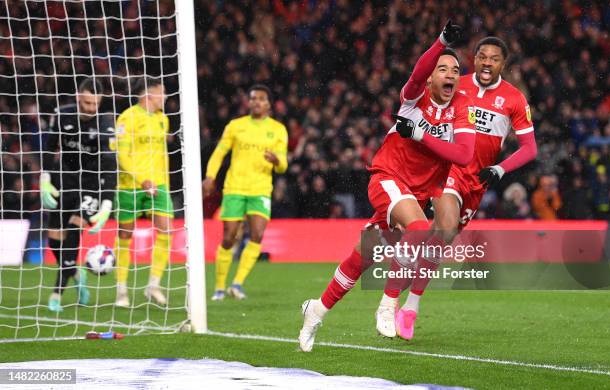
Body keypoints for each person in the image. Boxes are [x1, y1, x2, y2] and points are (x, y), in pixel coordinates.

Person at [299, 21, 476, 351]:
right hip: (387, 179)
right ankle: (388, 303)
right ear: (431, 76)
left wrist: (421, 134)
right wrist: (440, 42)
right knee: (420, 227)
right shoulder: (414, 98)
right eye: (442, 68)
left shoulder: (461, 107)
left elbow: (464, 155)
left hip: (416, 193)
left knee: (362, 256)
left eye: (455, 69)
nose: (450, 74)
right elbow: (417, 72)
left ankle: (316, 310)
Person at [383, 36, 538, 337]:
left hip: (479, 180)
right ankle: (396, 292)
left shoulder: (514, 99)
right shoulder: (456, 83)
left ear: (503, 64)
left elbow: (530, 148)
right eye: (482, 56)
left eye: (494, 58)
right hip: (449, 169)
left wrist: (500, 168)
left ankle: (411, 304)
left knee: (444, 236)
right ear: (474, 59)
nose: (487, 62)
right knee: (447, 223)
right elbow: (424, 102)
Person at [203, 84, 288, 300]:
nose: (256, 102)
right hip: (235, 188)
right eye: (253, 98)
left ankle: (237, 283)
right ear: (248, 102)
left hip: (260, 189)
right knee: (229, 237)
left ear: (269, 104)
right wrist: (210, 176)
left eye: (261, 99)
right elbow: (219, 152)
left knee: (257, 235)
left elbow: (283, 166)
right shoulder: (236, 126)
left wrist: (277, 160)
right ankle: (220, 287)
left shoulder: (278, 129)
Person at [41, 77, 116, 312]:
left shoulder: (105, 123)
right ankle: (76, 273)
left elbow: (110, 162)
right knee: (55, 241)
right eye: (86, 104)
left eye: (95, 104)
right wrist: (45, 177)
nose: (91, 109)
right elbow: (49, 147)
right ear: (78, 98)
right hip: (64, 179)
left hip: (91, 184)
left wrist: (106, 202)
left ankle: (56, 294)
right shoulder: (62, 115)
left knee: (73, 233)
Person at [113, 77, 173, 307]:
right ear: (150, 94)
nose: (165, 97)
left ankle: (153, 285)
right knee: (125, 235)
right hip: (131, 185)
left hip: (158, 185)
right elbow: (122, 156)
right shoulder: (128, 118)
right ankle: (121, 290)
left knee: (166, 230)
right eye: (162, 93)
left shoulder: (162, 120)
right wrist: (141, 179)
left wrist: (156, 181)